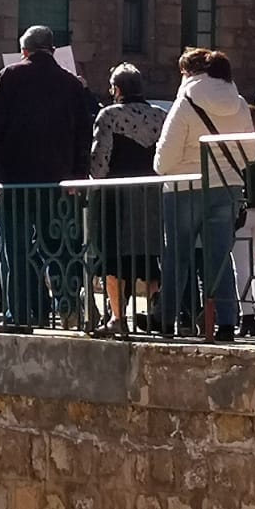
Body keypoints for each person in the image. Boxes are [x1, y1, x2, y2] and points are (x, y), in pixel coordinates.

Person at [0, 25, 95, 333]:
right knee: (60, 248)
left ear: (24, 50)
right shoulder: (71, 84)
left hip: (14, 180)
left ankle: (19, 315)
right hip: (60, 182)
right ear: (53, 50)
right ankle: (68, 309)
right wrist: (77, 174)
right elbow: (85, 134)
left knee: (14, 250)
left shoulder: (7, 78)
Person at [154, 49, 254, 341]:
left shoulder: (185, 102)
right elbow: (251, 152)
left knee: (177, 257)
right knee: (219, 257)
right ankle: (225, 323)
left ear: (189, 73)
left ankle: (167, 320)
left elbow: (163, 161)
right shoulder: (239, 104)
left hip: (184, 187)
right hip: (227, 186)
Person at [89, 63, 167, 337]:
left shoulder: (110, 115)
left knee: (112, 256)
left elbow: (100, 160)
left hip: (116, 194)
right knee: (148, 255)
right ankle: (158, 312)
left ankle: (118, 318)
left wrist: (93, 184)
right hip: (151, 193)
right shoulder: (161, 115)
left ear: (118, 89)